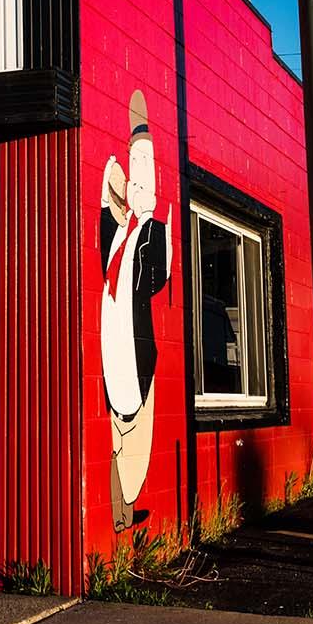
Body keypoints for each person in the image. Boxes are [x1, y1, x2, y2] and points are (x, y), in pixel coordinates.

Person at [99, 90, 174, 531]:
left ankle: (123, 509)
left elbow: (139, 198)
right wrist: (139, 135)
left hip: (123, 349)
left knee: (125, 430)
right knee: (131, 432)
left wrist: (139, 136)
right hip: (126, 350)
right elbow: (137, 198)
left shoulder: (127, 236)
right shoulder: (128, 235)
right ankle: (124, 508)